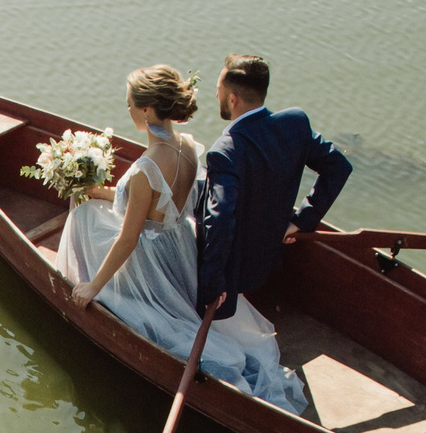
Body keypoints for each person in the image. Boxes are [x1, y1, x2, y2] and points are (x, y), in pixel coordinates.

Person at [59, 65, 310, 413]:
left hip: (149, 260)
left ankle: (91, 283)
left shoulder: (146, 168)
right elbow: (155, 203)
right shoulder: (189, 148)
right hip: (180, 245)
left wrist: (94, 287)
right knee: (93, 204)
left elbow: (129, 238)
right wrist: (98, 190)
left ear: (147, 109)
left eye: (130, 103)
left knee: (83, 216)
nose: (128, 109)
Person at [194, 53, 351, 408]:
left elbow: (219, 221)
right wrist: (303, 219)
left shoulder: (225, 151)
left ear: (232, 99)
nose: (217, 97)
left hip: (238, 270)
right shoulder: (294, 123)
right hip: (270, 257)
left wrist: (211, 288)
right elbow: (338, 166)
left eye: (218, 90)